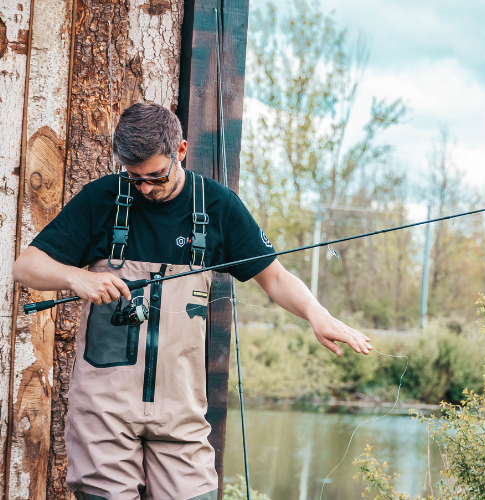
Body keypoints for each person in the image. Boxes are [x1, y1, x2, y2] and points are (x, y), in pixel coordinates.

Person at [12, 102, 371, 500]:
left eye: (155, 176)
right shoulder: (101, 199)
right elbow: (26, 266)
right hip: (103, 414)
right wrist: (75, 276)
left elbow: (276, 278)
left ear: (180, 151)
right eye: (133, 178)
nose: (145, 188)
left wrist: (317, 315)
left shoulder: (217, 206)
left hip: (181, 415)